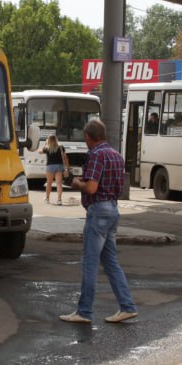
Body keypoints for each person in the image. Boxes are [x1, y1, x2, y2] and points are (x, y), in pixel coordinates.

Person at [60, 119, 138, 325]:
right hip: (112, 208)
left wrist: (77, 182)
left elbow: (91, 188)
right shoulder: (115, 154)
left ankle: (84, 312)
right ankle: (127, 306)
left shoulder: (96, 154)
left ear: (87, 137)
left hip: (99, 211)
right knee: (111, 262)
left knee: (89, 263)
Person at [41, 134, 66, 204]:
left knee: (49, 183)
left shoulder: (47, 148)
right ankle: (59, 200)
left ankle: (47, 198)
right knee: (59, 183)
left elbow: (40, 151)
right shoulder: (61, 147)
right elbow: (65, 157)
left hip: (50, 166)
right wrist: (67, 166)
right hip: (59, 166)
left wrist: (45, 143)